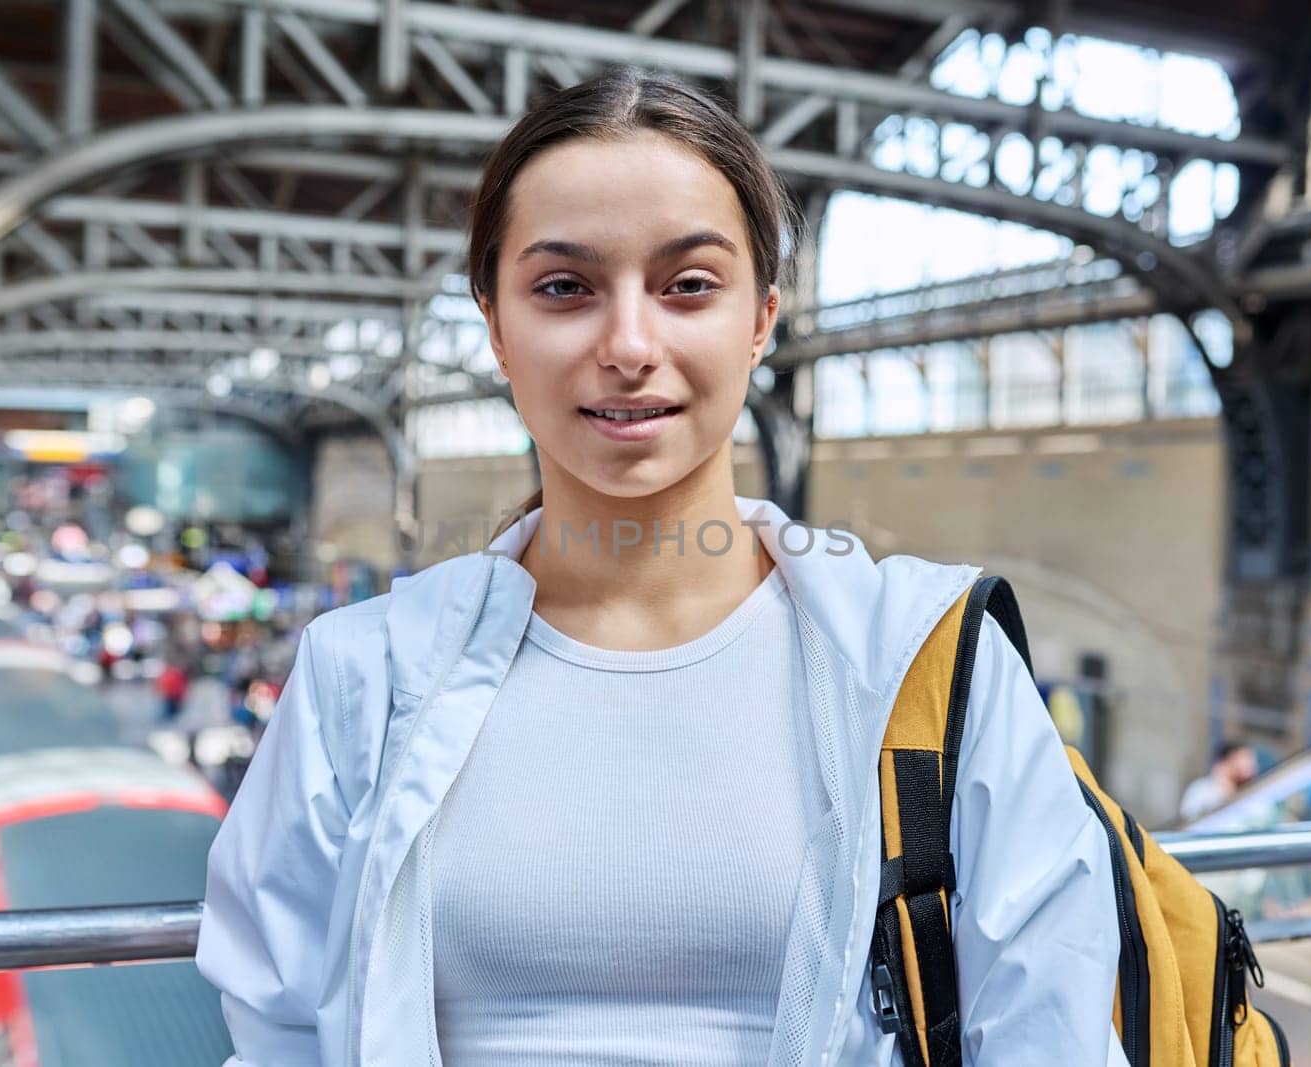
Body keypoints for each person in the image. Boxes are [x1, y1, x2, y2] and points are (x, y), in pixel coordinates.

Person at [196, 67, 1126, 1066]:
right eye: (564, 288)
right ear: (497, 327)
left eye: (688, 285)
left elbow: (1048, 1035)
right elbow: (278, 1030)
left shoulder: (930, 664)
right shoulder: (361, 676)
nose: (628, 343)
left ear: (761, 318)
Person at [1179, 739, 1259, 823]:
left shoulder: (1253, 794)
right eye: (1245, 759)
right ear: (1226, 762)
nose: (1252, 766)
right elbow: (1190, 825)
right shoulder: (1200, 791)